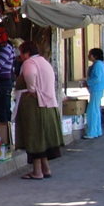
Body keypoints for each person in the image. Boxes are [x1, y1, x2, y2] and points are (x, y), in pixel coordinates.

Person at [15, 41, 64, 179]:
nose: (21, 56)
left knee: (35, 137)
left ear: (26, 53)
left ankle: (37, 171)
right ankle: (45, 169)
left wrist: (32, 89)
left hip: (36, 104)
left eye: (21, 53)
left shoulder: (29, 63)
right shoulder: (44, 61)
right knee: (42, 138)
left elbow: (30, 75)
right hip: (49, 104)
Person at [83, 48, 104, 139]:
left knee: (92, 111)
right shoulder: (99, 65)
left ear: (95, 56)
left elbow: (97, 78)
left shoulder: (97, 65)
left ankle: (92, 132)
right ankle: (97, 130)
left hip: (96, 89)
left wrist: (87, 83)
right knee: (96, 110)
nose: (89, 56)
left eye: (90, 54)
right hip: (97, 89)